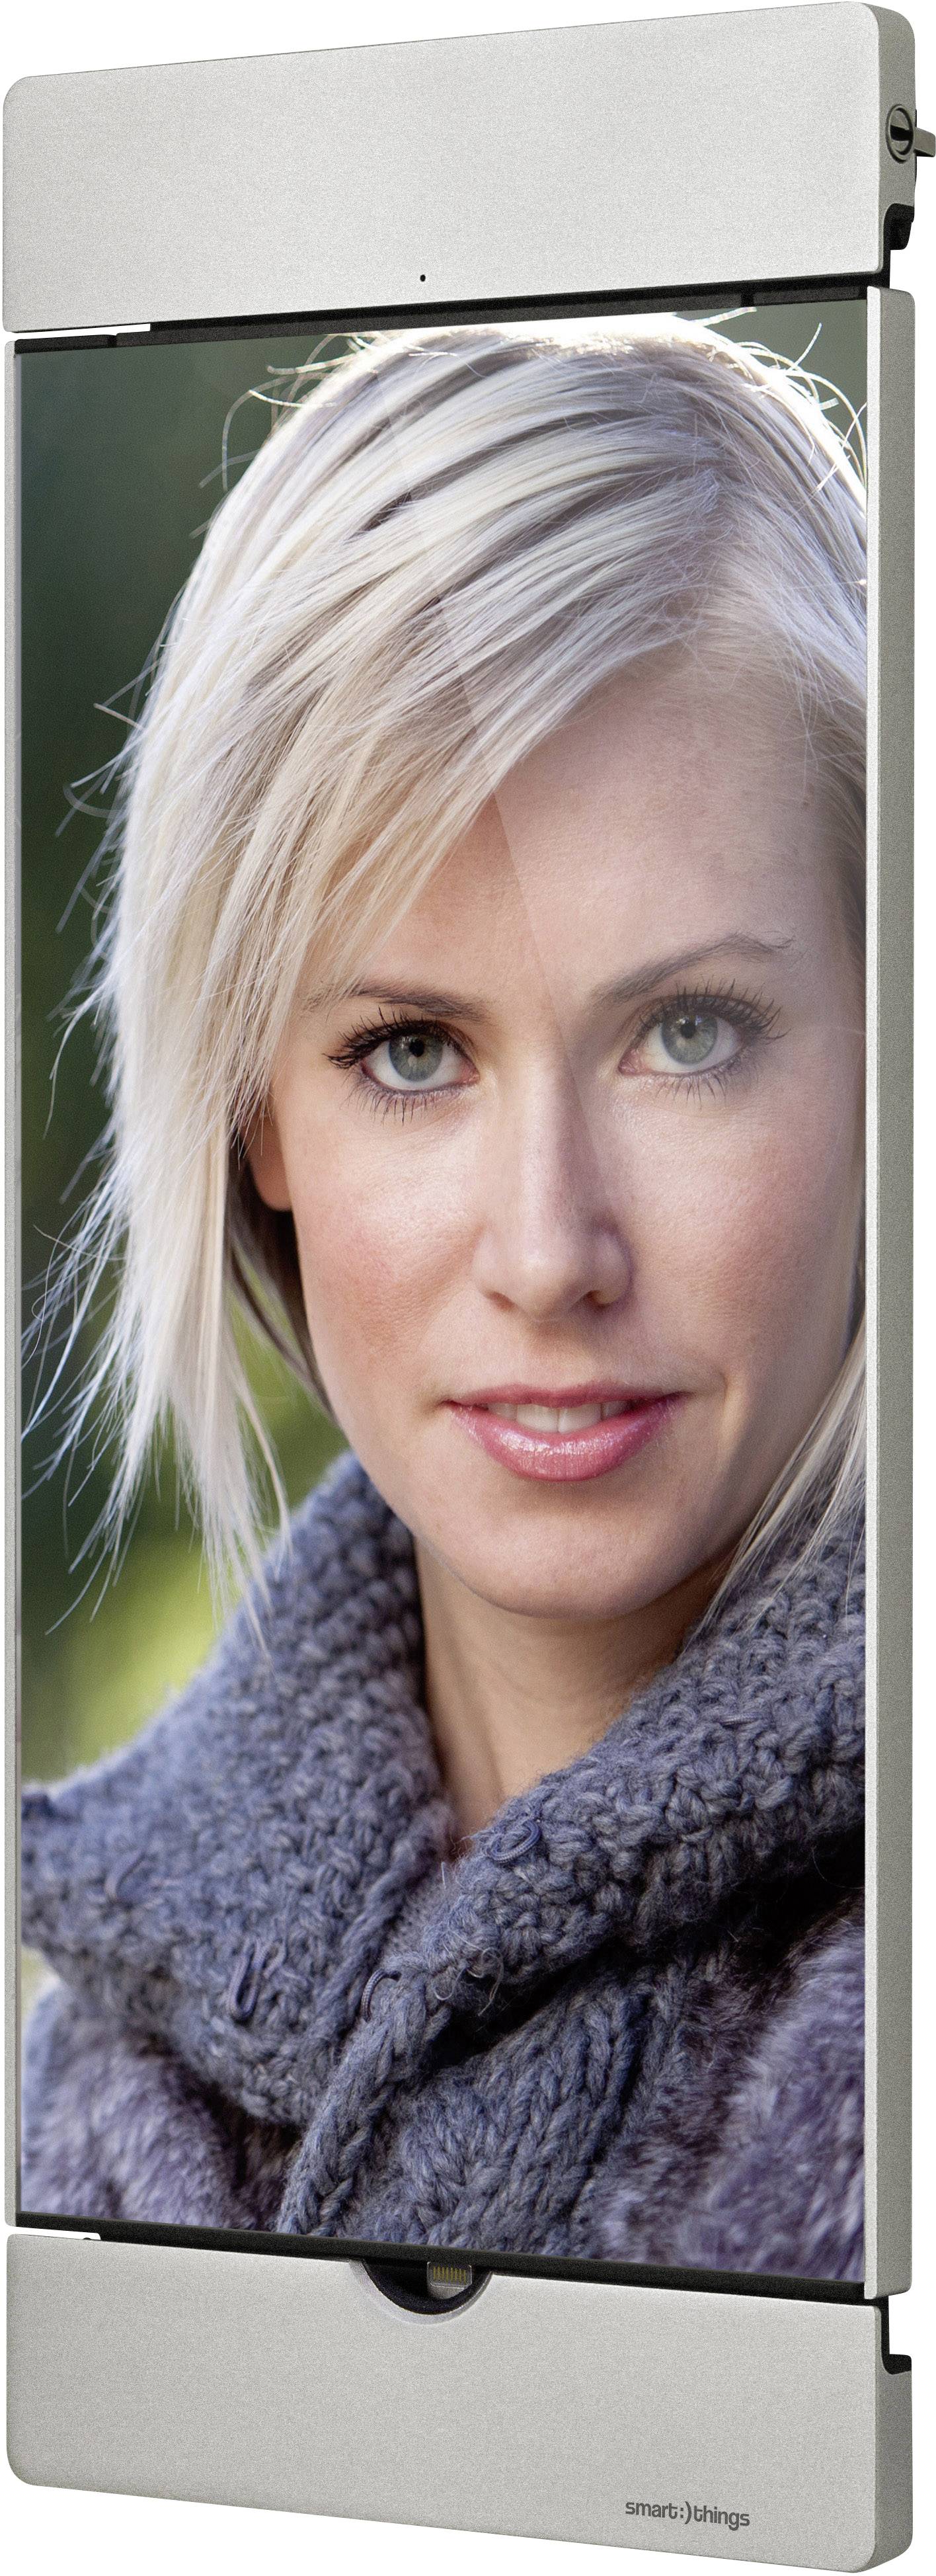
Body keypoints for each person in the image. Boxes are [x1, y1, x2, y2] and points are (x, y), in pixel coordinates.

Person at [20, 319, 866, 2276]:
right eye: (411, 1052)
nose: (550, 1250)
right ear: (253, 1114)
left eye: (689, 1033)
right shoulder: (94, 2088)